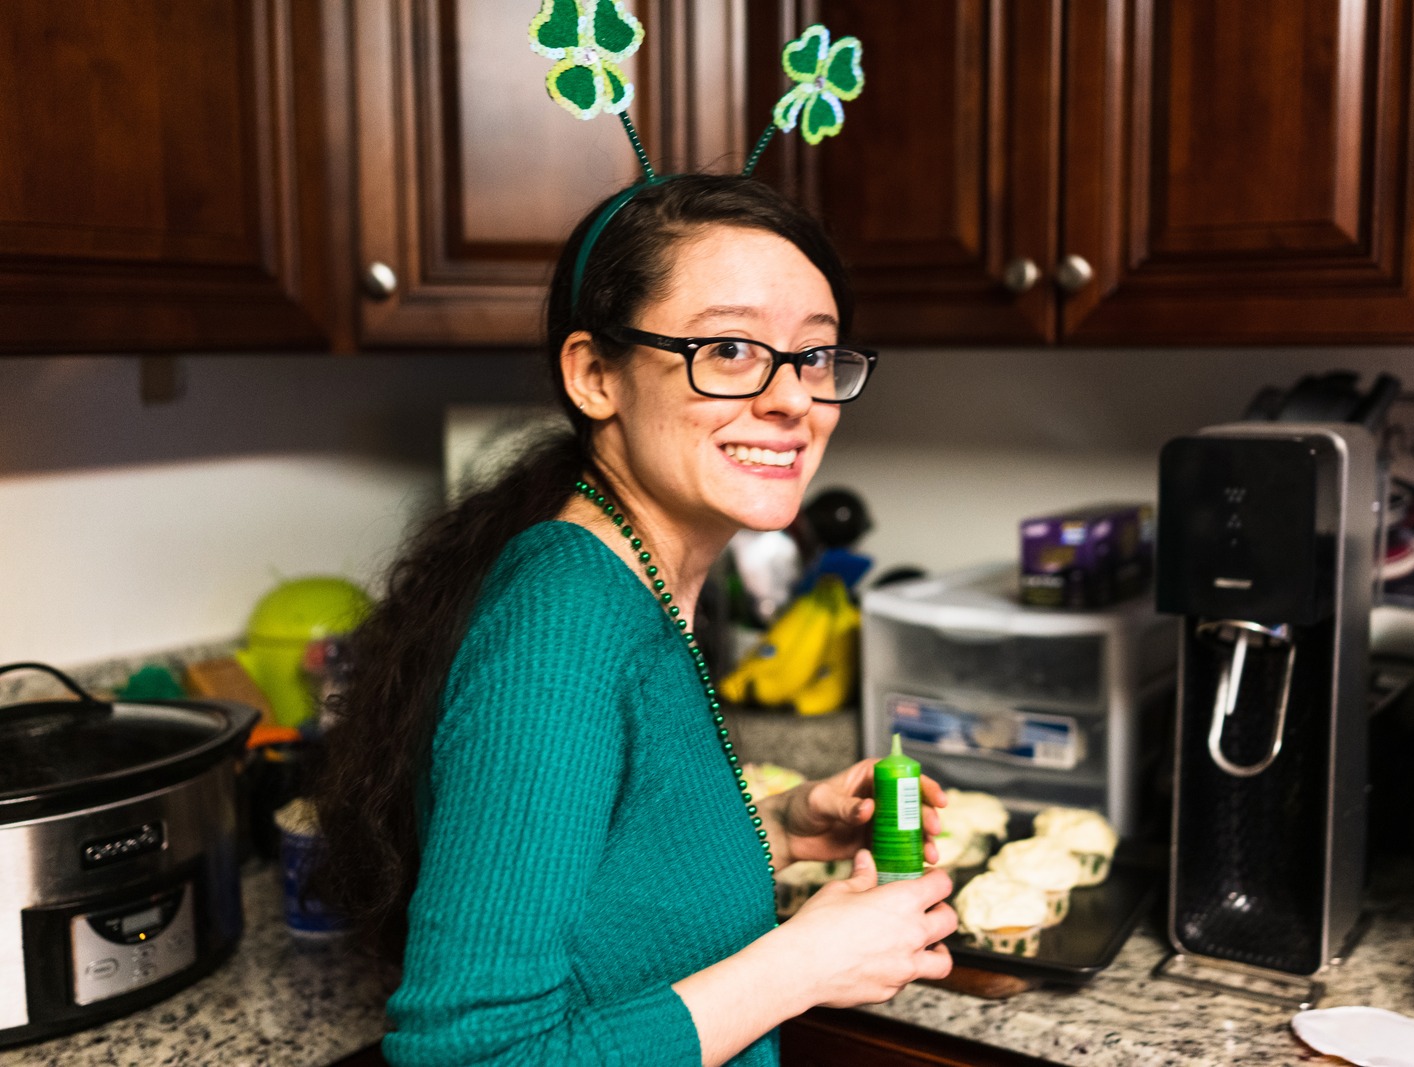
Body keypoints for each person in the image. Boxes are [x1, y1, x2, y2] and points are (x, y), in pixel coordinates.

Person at [313, 173, 957, 1067]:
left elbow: (599, 892)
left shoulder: (635, 575)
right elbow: (470, 1056)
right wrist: (806, 961)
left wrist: (776, 827)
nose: (794, 400)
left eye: (815, 355)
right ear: (594, 375)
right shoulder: (562, 625)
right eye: (729, 347)